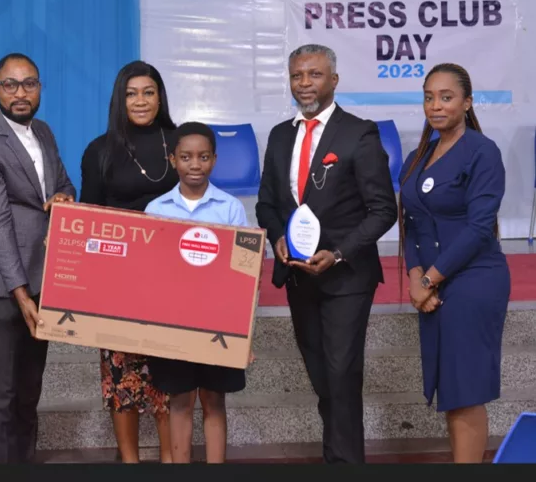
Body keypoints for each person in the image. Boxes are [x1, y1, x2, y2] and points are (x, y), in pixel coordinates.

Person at [255, 44, 397, 463]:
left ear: (333, 80)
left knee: (341, 376)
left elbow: (383, 209)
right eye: (297, 75)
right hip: (298, 276)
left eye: (314, 75)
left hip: (346, 277)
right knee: (321, 376)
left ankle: (345, 462)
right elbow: (266, 203)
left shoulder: (359, 132)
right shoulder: (281, 135)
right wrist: (277, 235)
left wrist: (337, 253)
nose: (305, 83)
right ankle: (336, 455)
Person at [0, 52, 76, 463]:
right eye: (10, 84)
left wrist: (63, 198)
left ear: (40, 87)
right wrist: (21, 294)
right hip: (1, 286)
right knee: (1, 391)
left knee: (30, 387)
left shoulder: (43, 131)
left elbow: (63, 185)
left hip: (43, 277)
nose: (20, 92)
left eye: (29, 83)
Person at [398, 63, 510, 463]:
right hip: (431, 282)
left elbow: (480, 229)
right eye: (429, 97)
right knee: (452, 390)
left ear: (467, 102)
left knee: (465, 393)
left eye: (446, 97)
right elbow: (410, 223)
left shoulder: (482, 151)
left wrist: (428, 280)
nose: (436, 105)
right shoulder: (417, 156)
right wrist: (415, 277)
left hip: (473, 281)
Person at [80, 60, 177, 463]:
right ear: (120, 99)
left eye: (148, 92)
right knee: (123, 377)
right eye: (131, 93)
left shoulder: (181, 141)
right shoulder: (100, 150)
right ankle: (130, 461)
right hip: (117, 281)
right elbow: (89, 216)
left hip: (174, 279)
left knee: (171, 377)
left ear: (160, 96)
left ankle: (173, 459)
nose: (140, 101)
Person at [144, 122, 251, 463]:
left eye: (203, 157)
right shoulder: (157, 209)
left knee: (215, 399)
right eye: (186, 157)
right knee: (179, 400)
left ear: (214, 160)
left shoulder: (231, 208)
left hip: (218, 322)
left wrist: (242, 334)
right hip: (173, 322)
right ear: (172, 159)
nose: (195, 165)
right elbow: (149, 272)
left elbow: (245, 274)